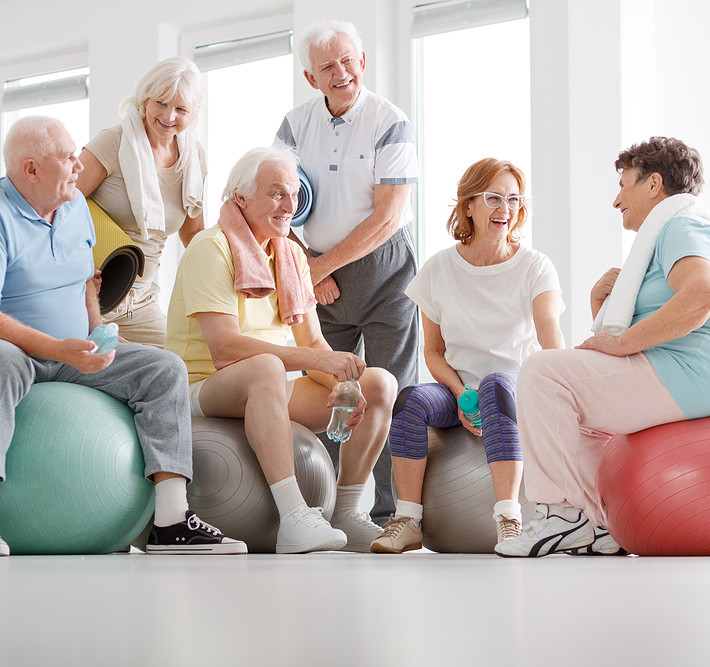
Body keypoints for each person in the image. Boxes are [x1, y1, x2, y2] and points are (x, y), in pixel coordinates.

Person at [0, 116, 246, 557]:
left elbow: (85, 284)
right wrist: (57, 348)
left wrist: (97, 332)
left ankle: (170, 521)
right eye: (67, 157)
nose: (79, 166)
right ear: (30, 169)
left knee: (164, 367)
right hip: (18, 351)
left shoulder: (76, 207)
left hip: (75, 350)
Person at [497, 136, 710, 558]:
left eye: (623, 184)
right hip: (691, 371)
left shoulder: (682, 225)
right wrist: (602, 306)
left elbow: (704, 296)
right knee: (571, 415)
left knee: (542, 372)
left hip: (696, 373)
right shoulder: (665, 236)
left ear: (653, 185)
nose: (617, 200)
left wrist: (625, 341)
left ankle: (561, 515)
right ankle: (598, 525)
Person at [165, 146, 398, 554]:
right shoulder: (211, 247)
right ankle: (293, 515)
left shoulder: (289, 254)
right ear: (240, 196)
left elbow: (312, 342)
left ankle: (344, 511)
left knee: (378, 383)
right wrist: (315, 362)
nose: (290, 205)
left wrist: (343, 381)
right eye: (276, 193)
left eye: (294, 194)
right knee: (267, 367)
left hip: (265, 386)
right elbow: (225, 349)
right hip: (202, 386)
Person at [369, 158, 565, 554]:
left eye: (513, 199)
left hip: (515, 390)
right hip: (460, 388)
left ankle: (509, 518)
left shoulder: (535, 267)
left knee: (495, 386)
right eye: (494, 197)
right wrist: (459, 393)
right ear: (469, 204)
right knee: (409, 400)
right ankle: (407, 520)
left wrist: (560, 393)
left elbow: (550, 339)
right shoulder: (438, 268)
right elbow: (433, 351)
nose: (505, 209)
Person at [274, 20, 419, 525]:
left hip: (383, 270)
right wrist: (306, 265)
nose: (341, 73)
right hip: (319, 272)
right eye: (326, 67)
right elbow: (275, 202)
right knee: (333, 395)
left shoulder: (389, 120)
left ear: (362, 62)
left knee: (392, 390)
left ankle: (391, 515)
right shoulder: (294, 125)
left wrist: (318, 267)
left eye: (347, 61)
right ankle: (334, 511)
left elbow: (388, 216)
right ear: (311, 78)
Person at [77, 56, 206, 348]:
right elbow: (60, 205)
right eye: (161, 103)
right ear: (145, 99)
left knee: (178, 367)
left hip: (141, 301)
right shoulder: (112, 141)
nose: (169, 116)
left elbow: (194, 236)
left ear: (193, 113)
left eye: (181, 109)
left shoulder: (193, 158)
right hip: (90, 295)